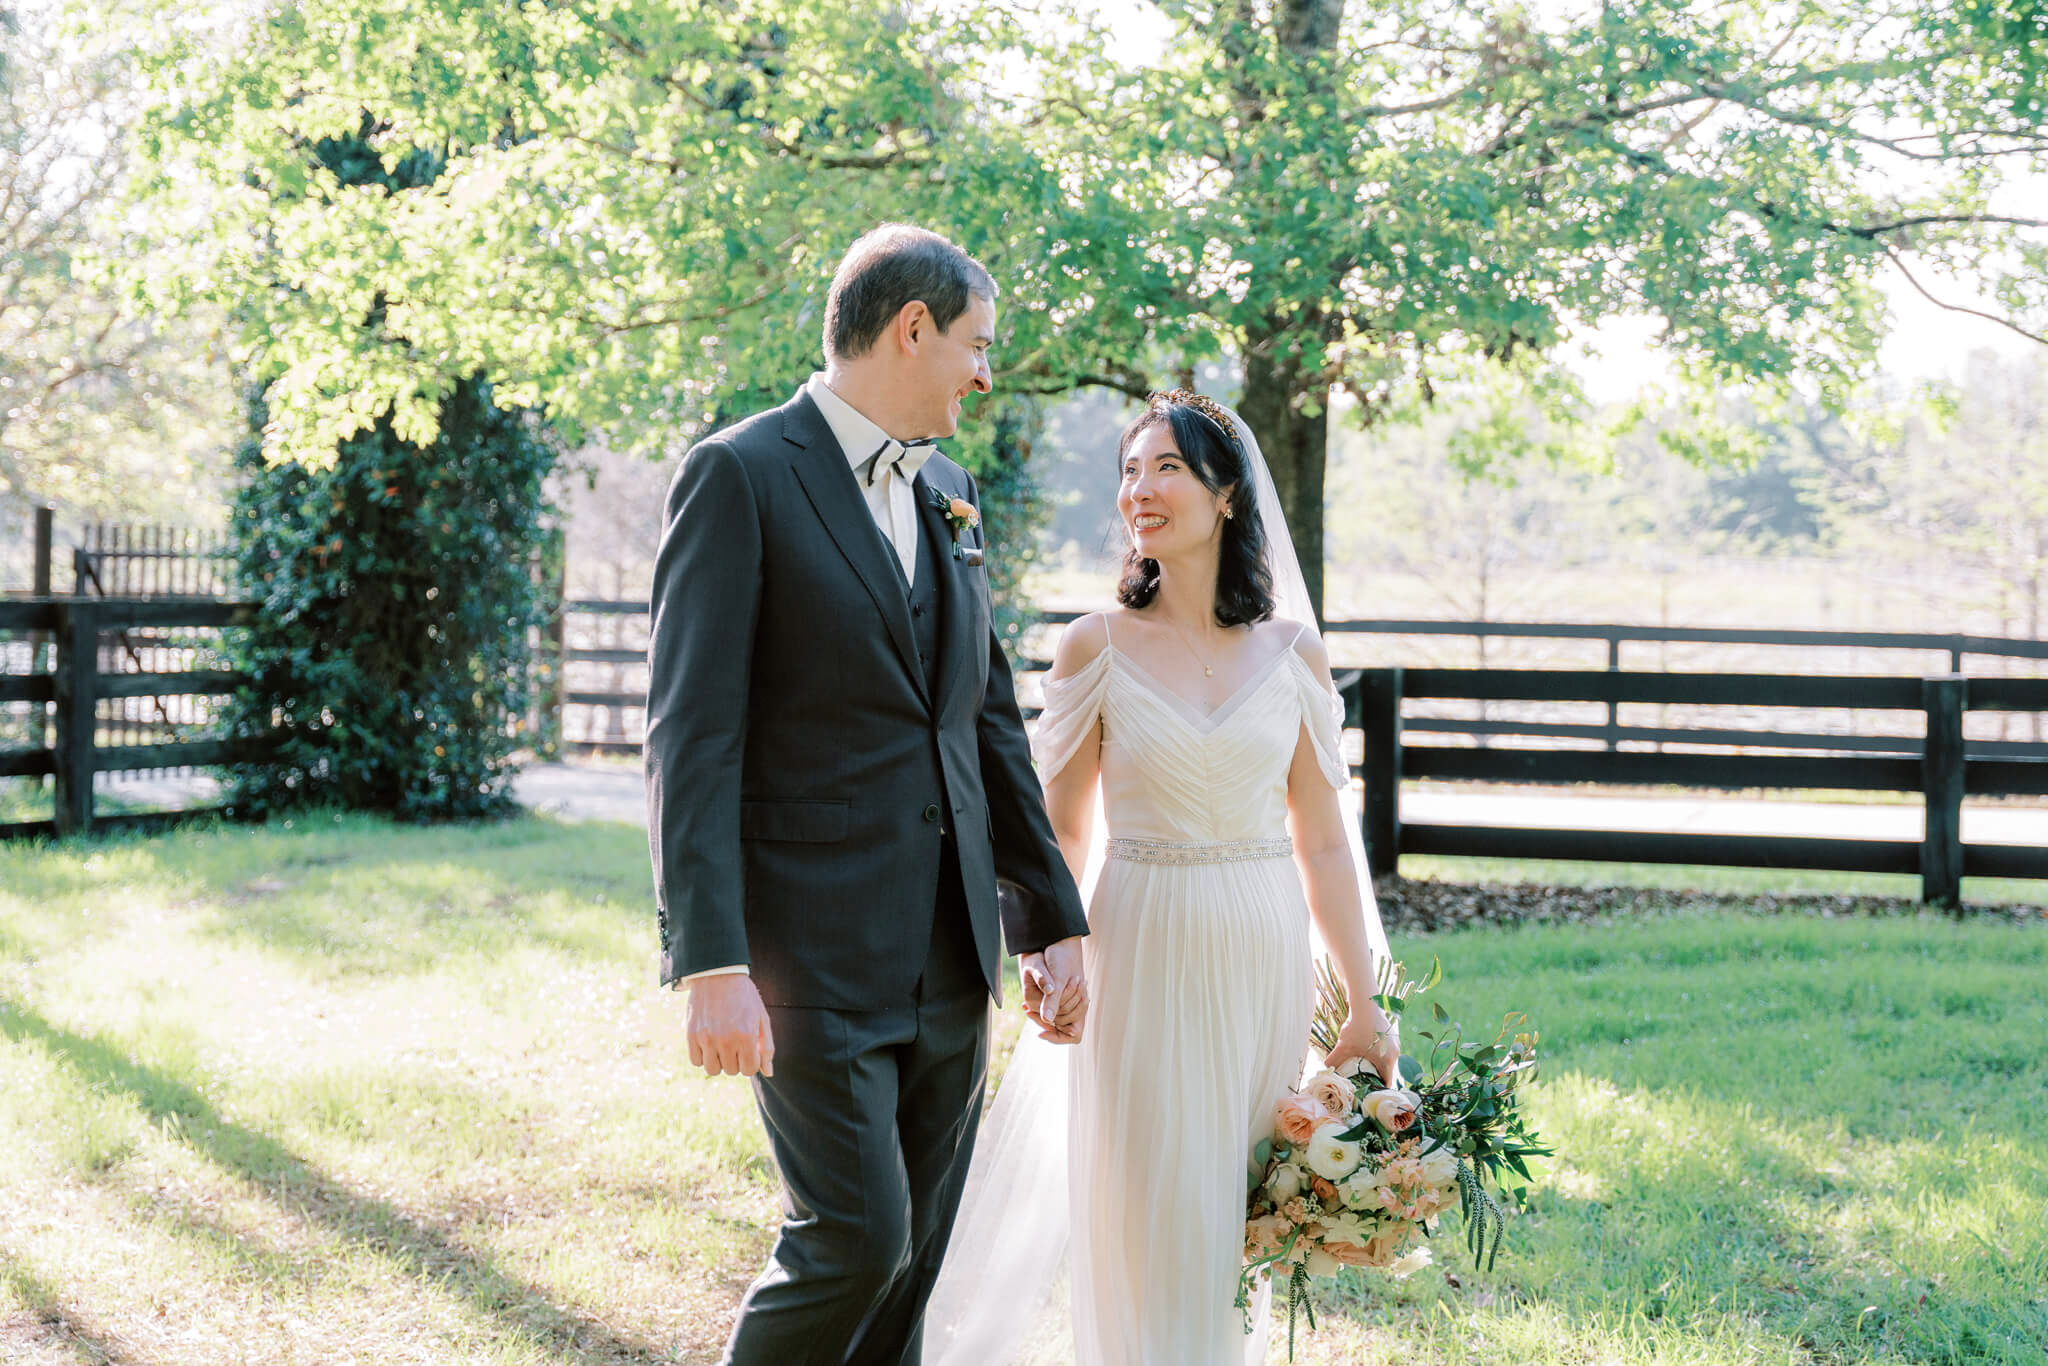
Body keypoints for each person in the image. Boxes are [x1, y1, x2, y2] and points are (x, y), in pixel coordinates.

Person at [645, 223, 1090, 1366]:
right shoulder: (741, 473)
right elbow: (690, 737)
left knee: (916, 1261)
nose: (984, 376)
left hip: (950, 954)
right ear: (910, 329)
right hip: (809, 952)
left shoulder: (949, 489)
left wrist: (1046, 917)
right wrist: (710, 962)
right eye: (974, 346)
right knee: (853, 1236)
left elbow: (980, 712)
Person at [926, 390, 1400, 1365]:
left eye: (1166, 468)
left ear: (1225, 493)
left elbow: (1321, 841)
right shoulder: (1093, 642)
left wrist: (1363, 1000)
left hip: (1258, 951)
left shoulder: (1291, 652)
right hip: (1135, 943)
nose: (1138, 489)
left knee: (1238, 1215)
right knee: (1146, 1213)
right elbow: (1057, 830)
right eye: (1128, 471)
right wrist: (1048, 954)